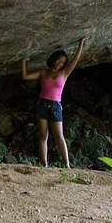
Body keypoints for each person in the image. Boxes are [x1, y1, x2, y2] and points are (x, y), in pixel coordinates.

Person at [21, 37, 85, 168]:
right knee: (43, 135)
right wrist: (23, 62)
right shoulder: (43, 72)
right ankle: (44, 164)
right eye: (58, 60)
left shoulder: (64, 73)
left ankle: (66, 164)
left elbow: (76, 60)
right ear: (53, 59)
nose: (59, 63)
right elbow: (25, 76)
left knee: (59, 136)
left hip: (56, 106)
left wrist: (81, 43)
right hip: (42, 104)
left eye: (62, 62)